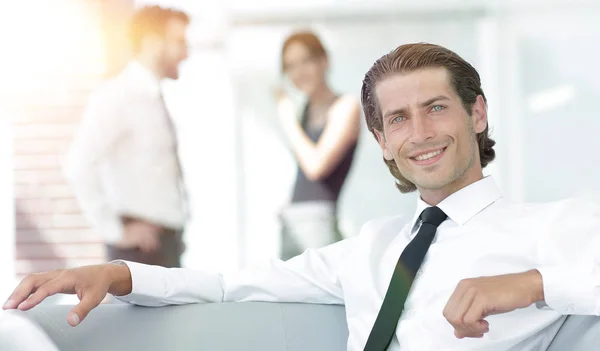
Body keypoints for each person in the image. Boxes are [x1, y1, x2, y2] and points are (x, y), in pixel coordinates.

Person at [4, 43, 600, 350]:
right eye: (397, 119)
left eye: (436, 108)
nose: (419, 133)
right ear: (382, 142)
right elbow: (229, 283)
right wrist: (117, 271)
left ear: (477, 114)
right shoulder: (370, 246)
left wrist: (531, 285)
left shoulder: (545, 230)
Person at [63, 6, 190, 268]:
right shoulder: (118, 96)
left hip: (164, 245)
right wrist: (115, 232)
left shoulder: (154, 98)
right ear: (153, 44)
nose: (186, 53)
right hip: (141, 249)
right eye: (179, 42)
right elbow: (77, 165)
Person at [276, 31, 361, 259]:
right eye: (290, 66)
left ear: (324, 61)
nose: (298, 72)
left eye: (305, 61)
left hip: (318, 225)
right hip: (292, 223)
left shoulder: (345, 106)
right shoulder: (304, 111)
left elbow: (316, 166)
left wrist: (286, 118)